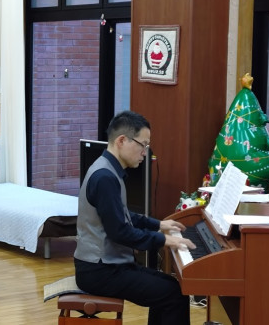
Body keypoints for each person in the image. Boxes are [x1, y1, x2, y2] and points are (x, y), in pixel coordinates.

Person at [74, 110, 196, 325]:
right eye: (143, 145)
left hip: (106, 266)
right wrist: (164, 240)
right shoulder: (105, 178)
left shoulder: (108, 169)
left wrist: (159, 224)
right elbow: (120, 232)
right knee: (172, 294)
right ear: (122, 141)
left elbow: (122, 216)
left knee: (172, 288)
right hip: (100, 271)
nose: (144, 153)